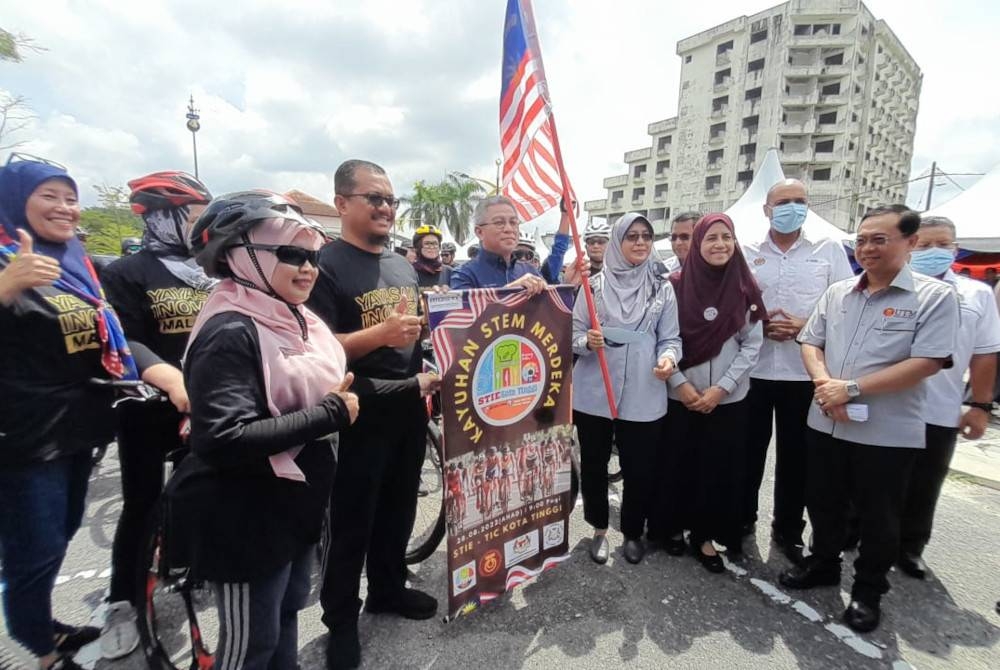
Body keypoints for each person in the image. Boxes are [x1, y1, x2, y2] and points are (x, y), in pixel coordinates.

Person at [164, 191, 359, 669]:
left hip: (293, 508)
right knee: (249, 646)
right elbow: (223, 439)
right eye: (290, 254)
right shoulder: (231, 330)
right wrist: (331, 414)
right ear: (242, 256)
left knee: (286, 619)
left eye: (312, 256)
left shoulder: (295, 318)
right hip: (244, 518)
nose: (308, 267)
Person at [779, 205, 959, 633]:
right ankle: (822, 564)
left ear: (909, 243)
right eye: (861, 240)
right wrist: (826, 385)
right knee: (822, 500)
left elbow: (927, 362)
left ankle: (867, 592)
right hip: (826, 420)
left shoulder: (933, 297)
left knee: (879, 516)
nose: (867, 248)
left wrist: (852, 389)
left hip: (887, 432)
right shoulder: (839, 292)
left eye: (880, 239)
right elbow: (811, 343)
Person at [0, 156, 138, 670]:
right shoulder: (6, 259)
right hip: (25, 432)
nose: (65, 208)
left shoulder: (74, 256)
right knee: (32, 550)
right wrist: (6, 287)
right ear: (15, 200)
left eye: (70, 197)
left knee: (60, 533)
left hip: (80, 425)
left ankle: (45, 625)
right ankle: (40, 649)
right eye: (48, 196)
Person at [307, 160, 439, 670]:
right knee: (350, 525)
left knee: (399, 510)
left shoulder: (403, 265)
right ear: (342, 204)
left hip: (408, 412)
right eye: (374, 198)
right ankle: (341, 621)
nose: (385, 207)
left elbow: (419, 334)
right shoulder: (323, 266)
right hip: (355, 416)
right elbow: (316, 352)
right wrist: (377, 337)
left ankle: (388, 588)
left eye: (390, 199)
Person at [98, 171, 214, 658]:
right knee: (142, 504)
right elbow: (126, 339)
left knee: (204, 490)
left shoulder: (212, 271)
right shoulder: (128, 273)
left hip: (208, 400)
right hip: (150, 404)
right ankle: (121, 602)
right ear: (161, 216)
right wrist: (168, 376)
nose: (200, 224)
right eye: (192, 214)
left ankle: (190, 563)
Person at [741, 179, 853, 564]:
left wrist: (805, 326)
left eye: (800, 202)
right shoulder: (747, 251)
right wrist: (759, 326)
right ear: (767, 210)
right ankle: (741, 522)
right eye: (783, 202)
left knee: (797, 460)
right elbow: (734, 307)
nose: (792, 208)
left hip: (803, 375)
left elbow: (843, 308)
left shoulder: (829, 250)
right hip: (752, 372)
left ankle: (787, 530)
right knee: (746, 454)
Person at [573, 212, 682, 565]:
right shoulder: (593, 286)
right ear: (618, 242)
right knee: (594, 463)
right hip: (594, 394)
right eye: (631, 236)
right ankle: (599, 529)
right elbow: (571, 335)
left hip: (644, 392)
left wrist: (668, 359)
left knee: (640, 467)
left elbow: (671, 338)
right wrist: (586, 341)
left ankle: (633, 531)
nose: (639, 243)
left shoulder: (661, 287)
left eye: (646, 237)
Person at [897, 216, 1000, 578]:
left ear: (956, 249)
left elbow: (986, 353)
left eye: (943, 245)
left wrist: (980, 405)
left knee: (925, 481)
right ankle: (851, 533)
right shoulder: (888, 288)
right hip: (885, 404)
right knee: (866, 477)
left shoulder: (976, 295)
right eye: (925, 245)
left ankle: (910, 547)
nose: (933, 252)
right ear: (909, 246)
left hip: (939, 406)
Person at [662, 213, 765, 573]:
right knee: (678, 463)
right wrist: (681, 384)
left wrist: (721, 389)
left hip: (728, 400)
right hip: (681, 396)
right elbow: (662, 340)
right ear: (698, 243)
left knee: (716, 468)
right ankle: (671, 527)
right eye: (711, 238)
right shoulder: (673, 286)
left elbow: (752, 346)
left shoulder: (745, 288)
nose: (720, 244)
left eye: (727, 237)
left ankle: (704, 536)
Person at [448, 195, 546, 295]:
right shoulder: (464, 275)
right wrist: (512, 289)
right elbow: (466, 309)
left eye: (513, 222)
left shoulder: (530, 271)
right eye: (499, 223)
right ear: (479, 232)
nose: (509, 229)